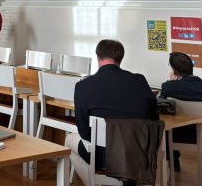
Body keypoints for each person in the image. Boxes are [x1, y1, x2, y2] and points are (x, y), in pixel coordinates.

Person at [66, 39, 158, 181]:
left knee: (69, 140)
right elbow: (154, 118)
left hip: (104, 157)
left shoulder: (83, 86)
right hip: (139, 153)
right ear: (121, 58)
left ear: (98, 57)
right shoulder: (140, 80)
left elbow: (84, 131)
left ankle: (95, 183)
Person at [160, 51, 202, 170]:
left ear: (174, 71)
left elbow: (160, 107)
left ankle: (174, 163)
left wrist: (172, 82)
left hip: (179, 136)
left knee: (165, 129)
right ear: (192, 67)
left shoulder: (169, 87)